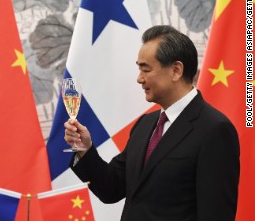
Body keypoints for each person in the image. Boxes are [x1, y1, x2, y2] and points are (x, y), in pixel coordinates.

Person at [64, 25, 240, 221]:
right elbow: (111, 188)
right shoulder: (145, 125)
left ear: (176, 70)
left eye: (145, 69)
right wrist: (84, 149)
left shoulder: (215, 129)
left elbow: (216, 214)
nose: (139, 79)